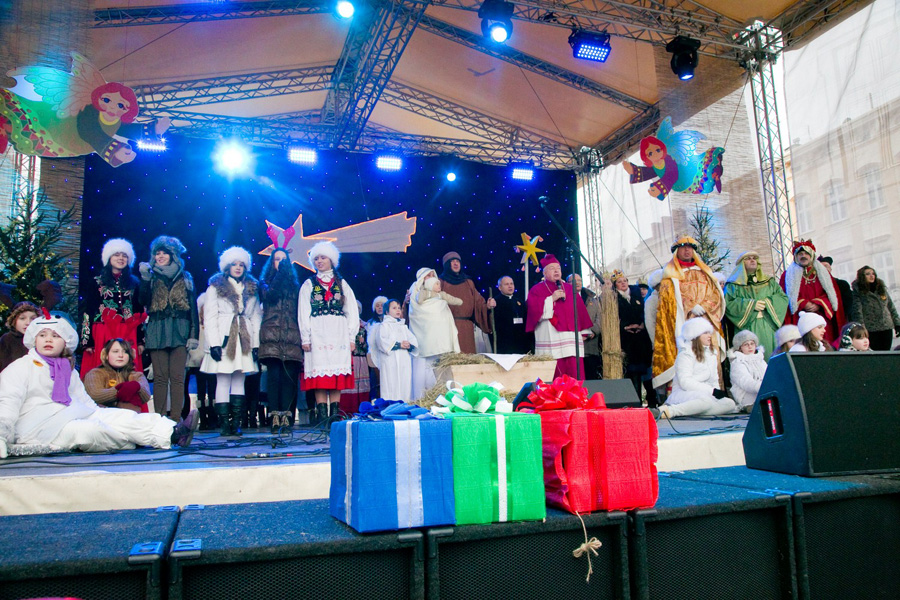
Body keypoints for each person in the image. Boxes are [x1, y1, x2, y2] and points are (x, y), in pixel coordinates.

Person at [0, 313, 198, 459]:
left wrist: (106, 415)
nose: (48, 340)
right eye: (43, 335)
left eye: (55, 336)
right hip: (41, 427)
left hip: (74, 413)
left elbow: (85, 402)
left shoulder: (67, 369)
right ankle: (134, 439)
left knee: (120, 417)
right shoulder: (21, 367)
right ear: (34, 340)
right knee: (90, 431)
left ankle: (173, 433)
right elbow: (6, 403)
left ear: (65, 343)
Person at [200, 246, 262, 437]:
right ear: (227, 266)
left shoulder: (251, 287)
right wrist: (214, 344)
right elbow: (210, 317)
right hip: (224, 338)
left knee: (239, 379)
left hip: (244, 338)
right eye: (234, 264)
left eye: (241, 264)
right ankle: (224, 424)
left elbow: (255, 317)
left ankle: (236, 423)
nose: (238, 267)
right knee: (223, 379)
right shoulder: (215, 287)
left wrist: (256, 344)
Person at [652, 237, 725, 391]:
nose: (687, 250)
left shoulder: (705, 273)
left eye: (690, 247)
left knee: (710, 357)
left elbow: (716, 295)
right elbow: (668, 304)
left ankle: (714, 392)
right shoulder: (670, 277)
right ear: (676, 251)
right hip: (684, 325)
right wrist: (690, 306)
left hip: (706, 321)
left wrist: (704, 307)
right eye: (683, 247)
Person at [138, 236, 199, 421]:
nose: (160, 256)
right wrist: (145, 279)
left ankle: (176, 420)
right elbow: (141, 301)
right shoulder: (150, 276)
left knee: (178, 378)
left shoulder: (185, 277)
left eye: (165, 253)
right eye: (157, 253)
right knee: (160, 378)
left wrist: (194, 335)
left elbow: (193, 310)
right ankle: (160, 420)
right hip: (157, 329)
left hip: (180, 330)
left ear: (173, 255)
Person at [298, 241, 359, 425]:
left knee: (336, 376)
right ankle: (323, 417)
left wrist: (351, 337)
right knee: (319, 376)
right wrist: (305, 337)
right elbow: (303, 311)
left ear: (331, 260)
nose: (319, 261)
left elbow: (352, 311)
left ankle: (334, 416)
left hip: (338, 333)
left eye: (323, 257)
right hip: (317, 333)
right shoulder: (309, 284)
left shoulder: (341, 283)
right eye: (316, 258)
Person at [80, 238, 145, 377]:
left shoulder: (134, 283)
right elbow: (88, 311)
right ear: (109, 258)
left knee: (128, 370)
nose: (121, 258)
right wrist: (87, 341)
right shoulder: (96, 282)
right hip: (103, 330)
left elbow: (138, 312)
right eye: (116, 255)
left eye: (124, 255)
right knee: (102, 370)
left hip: (128, 331)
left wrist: (140, 340)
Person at [525, 254, 593, 379]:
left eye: (558, 268)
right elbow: (533, 312)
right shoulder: (536, 290)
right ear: (544, 273)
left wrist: (584, 331)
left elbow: (580, 311)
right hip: (550, 336)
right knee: (555, 374)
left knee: (574, 372)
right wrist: (551, 298)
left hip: (571, 339)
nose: (556, 271)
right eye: (552, 268)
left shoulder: (570, 289)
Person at [258, 248, 303, 433]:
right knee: (274, 377)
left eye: (284, 260)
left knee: (289, 379)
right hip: (271, 336)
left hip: (291, 336)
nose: (281, 263)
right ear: (272, 262)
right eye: (277, 259)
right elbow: (270, 295)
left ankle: (287, 416)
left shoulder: (295, 285)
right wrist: (280, 275)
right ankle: (274, 417)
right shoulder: (265, 282)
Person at [655, 318, 736, 419]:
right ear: (695, 336)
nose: (709, 336)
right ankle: (669, 411)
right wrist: (711, 391)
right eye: (705, 333)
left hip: (706, 394)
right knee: (705, 401)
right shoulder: (686, 353)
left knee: (730, 403)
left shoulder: (712, 354)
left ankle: (693, 410)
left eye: (709, 332)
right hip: (684, 393)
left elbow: (714, 380)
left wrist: (716, 393)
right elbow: (685, 382)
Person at [724, 251, 789, 361]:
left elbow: (782, 297)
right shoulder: (733, 285)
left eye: (754, 258)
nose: (752, 260)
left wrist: (767, 303)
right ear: (741, 264)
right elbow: (729, 303)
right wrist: (751, 305)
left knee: (770, 356)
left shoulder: (769, 282)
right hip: (747, 325)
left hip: (767, 324)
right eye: (748, 258)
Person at [408, 268, 461, 399]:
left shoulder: (439, 293)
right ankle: (420, 397)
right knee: (422, 366)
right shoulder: (416, 288)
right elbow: (417, 308)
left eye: (433, 275)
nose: (431, 277)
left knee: (439, 366)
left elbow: (452, 302)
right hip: (423, 334)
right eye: (428, 275)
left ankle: (441, 396)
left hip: (439, 335)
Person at [779, 240, 845, 344]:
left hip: (821, 316)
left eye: (806, 253)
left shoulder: (823, 273)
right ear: (795, 256)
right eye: (800, 254)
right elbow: (784, 297)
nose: (803, 256)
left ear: (812, 255)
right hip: (799, 318)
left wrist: (818, 303)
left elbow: (832, 295)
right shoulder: (787, 275)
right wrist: (804, 303)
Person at [439, 251, 494, 354]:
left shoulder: (468, 282)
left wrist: (487, 306)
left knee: (468, 356)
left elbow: (478, 302)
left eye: (457, 261)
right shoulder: (441, 282)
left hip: (466, 329)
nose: (456, 263)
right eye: (452, 261)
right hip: (448, 326)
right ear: (447, 265)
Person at [611, 269, 654, 401]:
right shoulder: (613, 298)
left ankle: (649, 399)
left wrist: (641, 324)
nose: (623, 283)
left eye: (625, 281)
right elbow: (613, 318)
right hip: (626, 339)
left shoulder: (636, 295)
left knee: (642, 370)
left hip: (640, 338)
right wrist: (625, 326)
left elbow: (643, 312)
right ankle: (634, 400)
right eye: (619, 282)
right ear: (615, 285)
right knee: (631, 371)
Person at [84, 338, 151, 412]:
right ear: (106, 355)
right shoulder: (95, 373)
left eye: (125, 352)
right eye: (115, 351)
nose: (121, 355)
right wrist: (118, 392)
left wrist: (137, 387)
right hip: (103, 415)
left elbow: (146, 395)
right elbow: (94, 394)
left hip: (129, 416)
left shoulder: (137, 375)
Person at [374, 299, 419, 402]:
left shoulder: (403, 327)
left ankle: (405, 403)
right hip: (390, 361)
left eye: (399, 308)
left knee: (404, 382)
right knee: (391, 383)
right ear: (387, 312)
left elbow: (413, 341)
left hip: (404, 360)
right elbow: (382, 342)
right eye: (394, 308)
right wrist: (399, 345)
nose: (398, 310)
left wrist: (409, 345)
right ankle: (390, 405)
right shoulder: (384, 326)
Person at [185, 292, 217, 430]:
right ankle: (203, 417)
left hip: (211, 361)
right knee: (201, 390)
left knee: (213, 390)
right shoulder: (197, 326)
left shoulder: (212, 324)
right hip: (198, 362)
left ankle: (213, 416)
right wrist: (195, 355)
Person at [850, 265, 900, 351]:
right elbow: (857, 311)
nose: (871, 276)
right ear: (862, 276)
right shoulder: (858, 291)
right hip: (870, 329)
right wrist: (862, 329)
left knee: (886, 352)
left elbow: (891, 307)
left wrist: (897, 324)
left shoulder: (881, 288)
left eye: (873, 273)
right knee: (875, 352)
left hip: (886, 326)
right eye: (868, 274)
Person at [340, 300, 371, 415]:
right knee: (349, 385)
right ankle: (347, 411)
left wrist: (363, 343)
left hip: (361, 359)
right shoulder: (343, 323)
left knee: (362, 385)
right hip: (348, 358)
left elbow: (370, 346)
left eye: (358, 309)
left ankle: (363, 411)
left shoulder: (365, 326)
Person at [567, 274, 601, 379]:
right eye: (573, 281)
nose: (577, 282)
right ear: (567, 284)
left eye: (579, 280)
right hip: (573, 348)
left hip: (590, 347)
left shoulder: (592, 300)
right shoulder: (565, 300)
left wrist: (591, 332)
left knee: (591, 379)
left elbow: (599, 319)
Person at [727, 330, 766, 413]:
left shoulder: (760, 360)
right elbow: (745, 382)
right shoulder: (737, 362)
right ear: (740, 347)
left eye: (752, 343)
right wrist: (762, 387)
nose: (750, 347)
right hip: (745, 395)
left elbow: (769, 375)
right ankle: (749, 407)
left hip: (762, 390)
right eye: (746, 344)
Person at [492, 276, 532, 354]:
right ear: (500, 287)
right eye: (506, 284)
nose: (510, 286)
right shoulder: (495, 302)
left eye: (511, 284)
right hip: (505, 341)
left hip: (520, 340)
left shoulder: (520, 302)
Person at [0, 301, 39, 372]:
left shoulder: (41, 339)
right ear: (14, 320)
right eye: (22, 318)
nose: (28, 323)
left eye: (33, 319)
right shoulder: (6, 340)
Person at [644, 269, 664, 345]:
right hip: (660, 338)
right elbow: (650, 322)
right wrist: (655, 342)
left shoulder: (671, 297)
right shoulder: (651, 301)